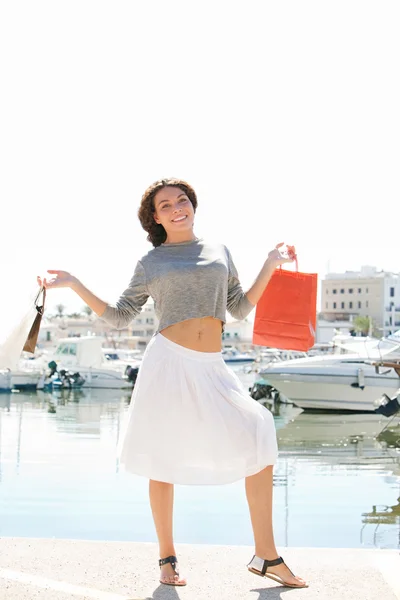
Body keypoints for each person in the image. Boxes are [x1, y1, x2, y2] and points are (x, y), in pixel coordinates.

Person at [38, 178, 308, 589]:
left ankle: (266, 556)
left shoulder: (219, 251)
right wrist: (74, 283)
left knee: (259, 429)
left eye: (182, 200)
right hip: (168, 361)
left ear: (192, 206)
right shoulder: (152, 262)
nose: (177, 207)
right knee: (161, 458)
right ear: (155, 218)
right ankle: (167, 558)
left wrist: (270, 264)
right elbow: (120, 316)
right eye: (166, 205)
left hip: (212, 364)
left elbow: (237, 309)